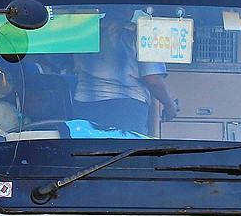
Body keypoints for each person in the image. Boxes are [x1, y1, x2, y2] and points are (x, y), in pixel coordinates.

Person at [72, 8, 178, 136]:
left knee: (87, 152)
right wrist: (170, 105)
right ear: (130, 9)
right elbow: (152, 80)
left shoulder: (85, 31)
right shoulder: (139, 34)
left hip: (85, 105)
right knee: (126, 153)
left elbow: (60, 61)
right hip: (126, 109)